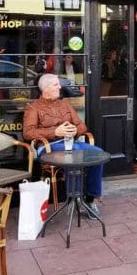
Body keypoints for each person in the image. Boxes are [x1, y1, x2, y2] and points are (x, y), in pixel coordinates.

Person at [22, 74, 105, 217]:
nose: (60, 87)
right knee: (75, 152)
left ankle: (90, 199)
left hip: (72, 143)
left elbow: (82, 126)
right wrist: (54, 131)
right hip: (49, 147)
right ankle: (73, 199)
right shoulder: (33, 108)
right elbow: (28, 133)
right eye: (56, 85)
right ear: (46, 89)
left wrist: (75, 130)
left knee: (98, 153)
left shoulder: (64, 104)